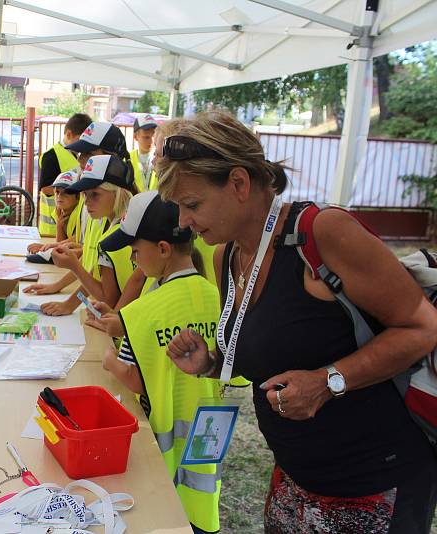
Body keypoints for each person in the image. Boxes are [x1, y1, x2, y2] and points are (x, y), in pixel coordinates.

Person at [160, 111, 437, 533]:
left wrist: (328, 382)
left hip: (374, 482)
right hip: (294, 479)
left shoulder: (322, 232)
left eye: (191, 204)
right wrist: (212, 363)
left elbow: (422, 327)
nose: (183, 222)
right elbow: (271, 352)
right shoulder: (226, 256)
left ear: (238, 183)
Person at [98, 190, 223, 534]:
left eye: (136, 253)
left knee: (162, 513)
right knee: (200, 498)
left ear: (163, 249)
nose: (135, 262)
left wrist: (109, 361)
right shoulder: (217, 297)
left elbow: (136, 379)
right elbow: (235, 374)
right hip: (210, 430)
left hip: (161, 439)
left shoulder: (142, 311)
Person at [24, 121, 133, 303]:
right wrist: (63, 295)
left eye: (89, 153)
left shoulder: (123, 216)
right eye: (80, 153)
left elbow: (120, 286)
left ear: (112, 156)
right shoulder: (99, 203)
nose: (81, 159)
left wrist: (117, 320)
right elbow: (93, 266)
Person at [33, 154, 137, 315]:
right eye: (85, 194)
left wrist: (74, 267)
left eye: (95, 194)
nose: (87, 201)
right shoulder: (107, 223)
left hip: (122, 331)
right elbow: (93, 276)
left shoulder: (119, 236)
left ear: (117, 193)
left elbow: (106, 299)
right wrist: (69, 304)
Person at [34, 112, 92, 238]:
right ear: (69, 134)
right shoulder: (52, 156)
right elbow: (45, 188)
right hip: (53, 227)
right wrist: (73, 190)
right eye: (81, 140)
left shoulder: (78, 155)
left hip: (72, 225)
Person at [129, 114, 159, 193]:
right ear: (135, 137)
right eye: (146, 137)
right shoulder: (127, 159)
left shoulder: (162, 158)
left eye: (154, 136)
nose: (152, 141)